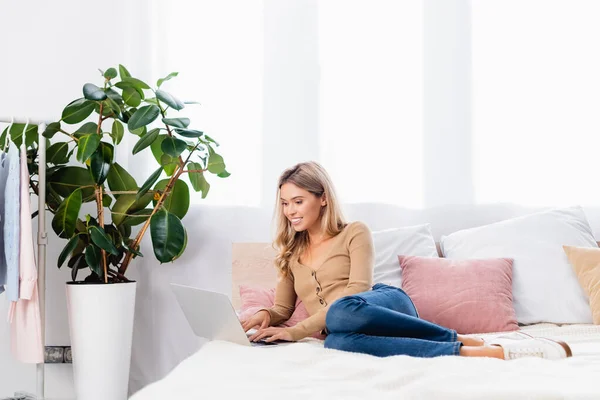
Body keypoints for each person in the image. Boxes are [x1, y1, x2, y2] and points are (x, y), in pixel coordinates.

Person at [241, 161, 572, 360]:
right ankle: (482, 350)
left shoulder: (354, 232)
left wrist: (298, 332)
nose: (290, 212)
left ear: (323, 198)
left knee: (342, 312)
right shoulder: (289, 251)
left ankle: (451, 335)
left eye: (298, 201)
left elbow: (356, 291)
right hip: (341, 325)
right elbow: (282, 310)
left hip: (384, 303)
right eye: (285, 204)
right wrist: (261, 316)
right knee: (337, 341)